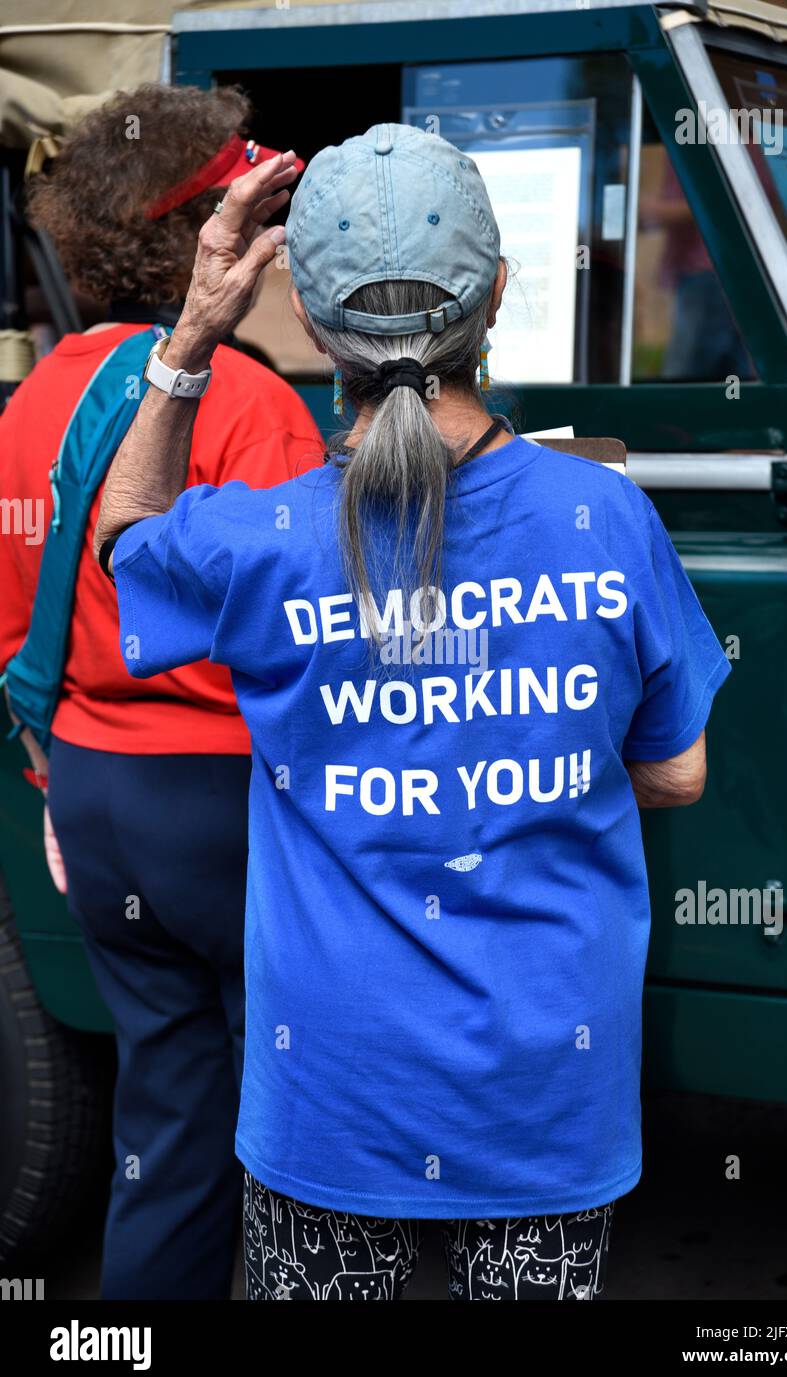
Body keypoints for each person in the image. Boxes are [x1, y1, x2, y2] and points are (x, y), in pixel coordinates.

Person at [94, 124, 731, 1301]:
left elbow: (122, 538)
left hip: (330, 1086)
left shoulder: (257, 540)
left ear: (319, 331)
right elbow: (678, 770)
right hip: (548, 1087)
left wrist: (191, 336)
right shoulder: (608, 518)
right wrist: (520, 759)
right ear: (496, 294)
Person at [0, 84, 322, 1300]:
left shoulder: (31, 400)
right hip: (227, 803)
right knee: (290, 1117)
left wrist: (51, 781)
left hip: (89, 795)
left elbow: (10, 627)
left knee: (167, 1115)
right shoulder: (251, 405)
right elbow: (302, 645)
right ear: (211, 238)